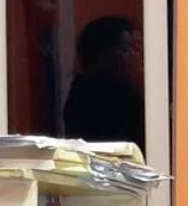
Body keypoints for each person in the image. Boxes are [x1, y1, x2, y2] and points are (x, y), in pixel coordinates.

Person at [62, 15, 145, 150]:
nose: (134, 56)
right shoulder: (114, 95)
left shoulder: (79, 88)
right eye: (125, 50)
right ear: (104, 54)